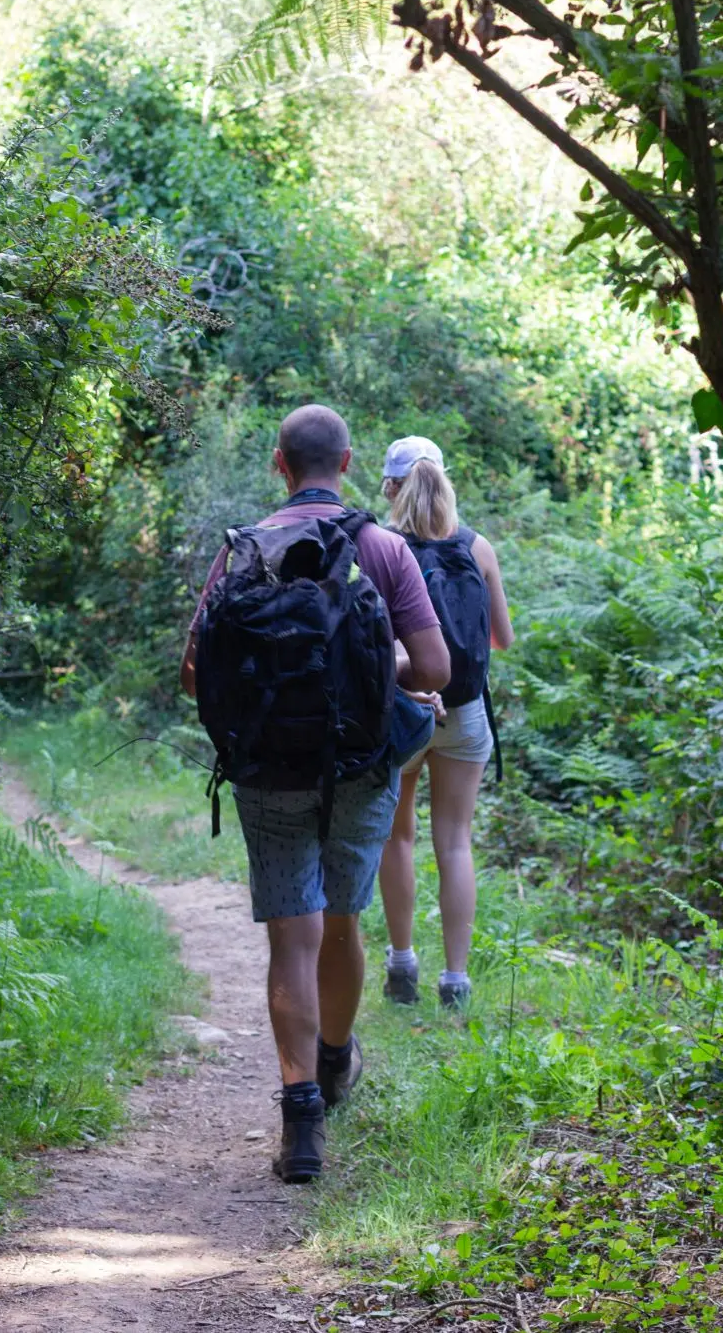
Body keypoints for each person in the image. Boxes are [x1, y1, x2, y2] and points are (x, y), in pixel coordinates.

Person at [180, 405, 449, 1183]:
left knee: (289, 940)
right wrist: (377, 666)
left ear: (279, 464)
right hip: (361, 771)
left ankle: (300, 1123)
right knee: (341, 924)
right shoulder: (385, 548)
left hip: (267, 772)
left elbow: (195, 673)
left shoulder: (242, 551)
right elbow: (435, 672)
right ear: (349, 460)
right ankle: (334, 1065)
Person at [377, 436, 514, 1010]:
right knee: (455, 843)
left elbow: (373, 643)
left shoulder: (380, 549)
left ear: (390, 488)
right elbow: (502, 639)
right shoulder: (477, 547)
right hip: (463, 711)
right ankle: (456, 980)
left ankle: (402, 962)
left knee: (397, 835)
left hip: (404, 707)